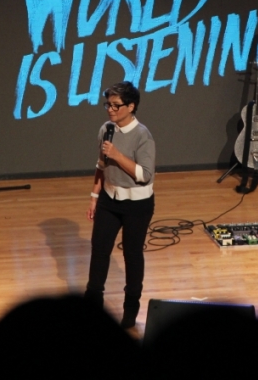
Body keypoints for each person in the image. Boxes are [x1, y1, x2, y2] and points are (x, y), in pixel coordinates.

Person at [84, 81, 156, 333]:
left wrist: (117, 154)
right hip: (108, 200)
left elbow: (144, 174)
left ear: (131, 106)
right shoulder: (106, 129)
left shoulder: (142, 135)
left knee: (132, 254)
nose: (110, 110)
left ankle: (130, 312)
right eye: (108, 105)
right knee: (99, 251)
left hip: (137, 204)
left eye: (116, 106)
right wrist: (94, 196)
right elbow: (101, 165)